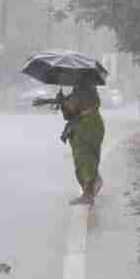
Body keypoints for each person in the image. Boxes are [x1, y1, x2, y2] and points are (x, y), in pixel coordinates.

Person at [34, 75, 105, 205]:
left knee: (83, 160)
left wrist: (60, 101)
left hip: (85, 129)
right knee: (90, 157)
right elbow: (72, 106)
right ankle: (93, 184)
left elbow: (71, 109)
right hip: (95, 126)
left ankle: (88, 195)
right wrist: (56, 101)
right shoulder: (90, 90)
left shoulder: (81, 91)